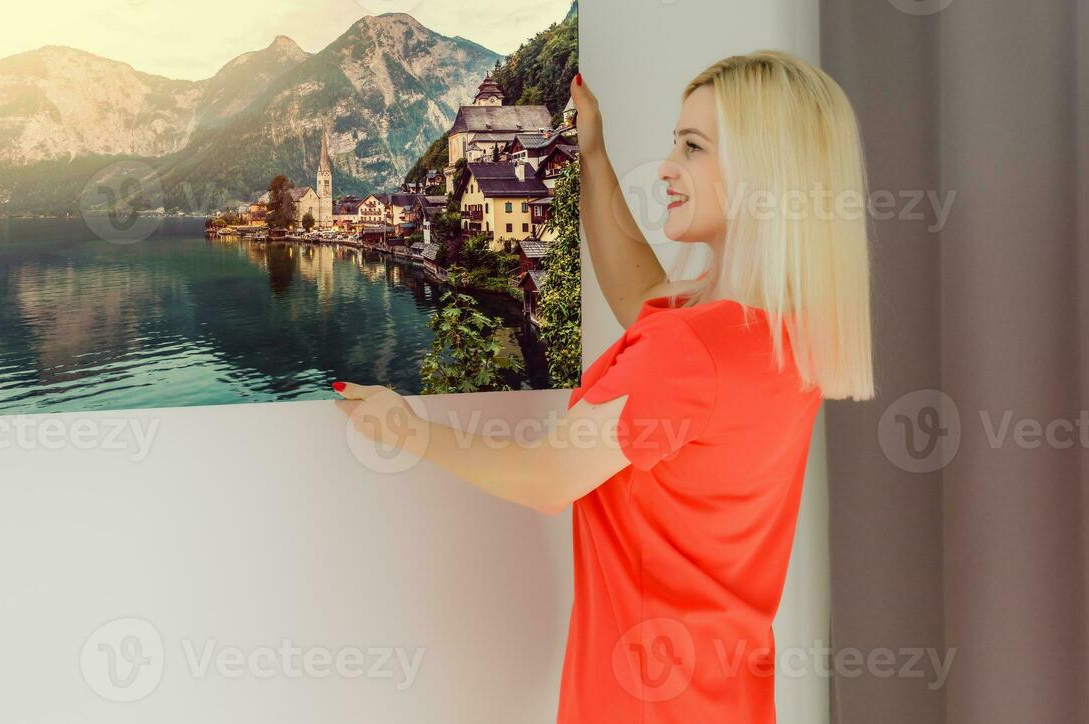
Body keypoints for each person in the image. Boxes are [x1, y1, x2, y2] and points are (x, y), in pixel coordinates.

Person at [335, 52, 875, 723]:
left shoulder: (688, 351)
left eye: (694, 147)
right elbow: (642, 294)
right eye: (675, 142)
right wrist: (592, 157)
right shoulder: (783, 333)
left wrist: (405, 427)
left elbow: (546, 477)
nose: (668, 167)